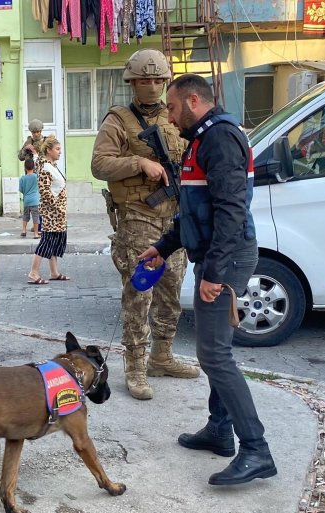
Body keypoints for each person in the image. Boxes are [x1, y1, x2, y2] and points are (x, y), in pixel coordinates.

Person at [138, 73, 277, 486]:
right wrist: (162, 248)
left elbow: (231, 210)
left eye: (174, 106)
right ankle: (220, 429)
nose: (169, 114)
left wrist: (214, 274)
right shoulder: (202, 138)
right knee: (217, 350)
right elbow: (197, 210)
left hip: (228, 257)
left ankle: (256, 449)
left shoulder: (218, 138)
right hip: (220, 253)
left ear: (194, 101)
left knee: (214, 354)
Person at [90, 48, 199, 401]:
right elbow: (99, 165)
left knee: (171, 292)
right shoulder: (118, 121)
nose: (151, 86)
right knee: (139, 293)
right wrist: (138, 162)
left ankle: (162, 357)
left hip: (174, 217)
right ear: (132, 82)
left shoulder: (176, 117)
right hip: (138, 216)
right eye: (144, 80)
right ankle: (135, 367)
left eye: (157, 80)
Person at [27, 136, 69, 285]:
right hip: (51, 212)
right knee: (47, 241)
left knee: (56, 241)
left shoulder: (51, 164)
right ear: (49, 150)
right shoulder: (45, 167)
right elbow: (44, 190)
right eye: (57, 149)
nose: (60, 152)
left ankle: (54, 272)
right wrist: (57, 207)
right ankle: (33, 273)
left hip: (57, 212)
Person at [19, 159, 40, 239]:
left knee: (25, 216)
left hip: (26, 201)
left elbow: (21, 189)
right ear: (34, 167)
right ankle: (35, 234)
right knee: (35, 217)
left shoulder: (22, 178)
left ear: (25, 167)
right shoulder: (36, 177)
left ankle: (24, 230)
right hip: (35, 200)